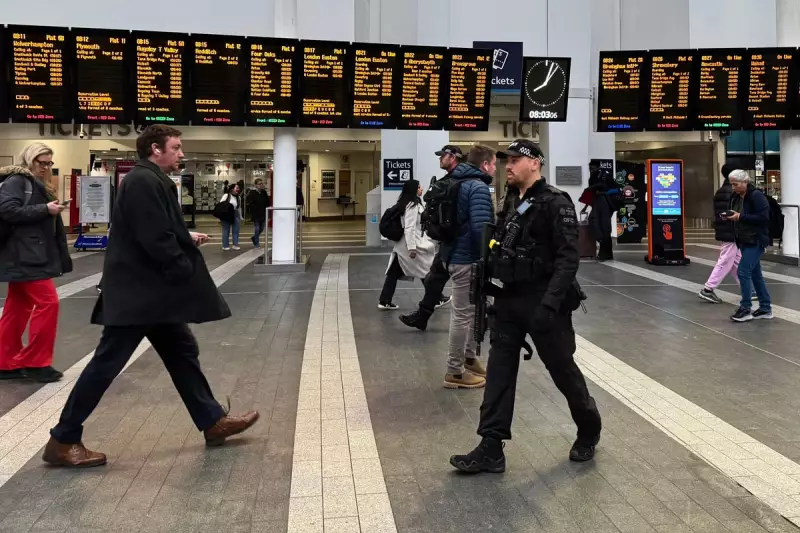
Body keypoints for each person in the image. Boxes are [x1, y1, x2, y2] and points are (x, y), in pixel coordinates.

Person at [43, 125, 258, 468]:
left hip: (151, 297)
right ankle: (64, 438)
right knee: (106, 364)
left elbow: (154, 227)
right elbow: (154, 237)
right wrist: (182, 269)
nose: (181, 154)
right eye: (176, 147)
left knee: (183, 353)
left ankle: (212, 421)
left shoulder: (148, 180)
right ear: (156, 150)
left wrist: (183, 236)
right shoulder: (144, 181)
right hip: (140, 296)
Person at [450, 139, 601, 474]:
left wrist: (549, 306)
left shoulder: (556, 203)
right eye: (507, 161)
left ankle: (589, 427)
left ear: (535, 163)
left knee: (562, 370)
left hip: (544, 303)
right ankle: (491, 445)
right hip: (509, 300)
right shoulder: (511, 200)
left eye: (515, 160)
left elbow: (567, 259)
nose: (509, 166)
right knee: (500, 373)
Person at [0, 142, 71, 383]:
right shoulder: (17, 181)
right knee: (48, 303)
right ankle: (36, 362)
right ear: (29, 161)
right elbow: (8, 211)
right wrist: (45, 209)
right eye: (42, 162)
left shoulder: (32, 183)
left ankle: (5, 361)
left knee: (17, 308)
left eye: (49, 163)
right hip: (26, 255)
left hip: (26, 254)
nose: (46, 167)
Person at [440, 145, 496, 389]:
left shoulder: (454, 181)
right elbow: (481, 229)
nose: (495, 169)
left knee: (473, 311)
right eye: (494, 164)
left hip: (451, 253)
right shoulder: (477, 187)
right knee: (463, 314)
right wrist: (491, 256)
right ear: (485, 165)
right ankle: (454, 371)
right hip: (467, 258)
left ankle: (469, 358)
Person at [397, 145, 467, 331]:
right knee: (434, 278)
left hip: (460, 241)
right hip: (448, 240)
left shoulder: (462, 181)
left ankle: (489, 315)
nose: (439, 159)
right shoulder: (448, 180)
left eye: (442, 156)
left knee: (470, 284)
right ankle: (422, 316)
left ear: (453, 157)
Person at [378, 179, 436, 309]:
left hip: (403, 245)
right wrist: (412, 248)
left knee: (394, 272)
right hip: (409, 244)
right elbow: (409, 227)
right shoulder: (412, 205)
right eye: (420, 187)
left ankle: (384, 300)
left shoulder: (408, 203)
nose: (422, 189)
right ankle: (436, 297)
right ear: (414, 190)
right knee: (426, 269)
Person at [726, 170, 773, 322]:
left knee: (743, 271)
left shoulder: (756, 196)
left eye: (736, 184)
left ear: (745, 182)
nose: (733, 187)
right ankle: (765, 308)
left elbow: (763, 218)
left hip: (756, 239)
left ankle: (746, 307)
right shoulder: (735, 197)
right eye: (732, 184)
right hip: (744, 239)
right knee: (755, 274)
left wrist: (740, 217)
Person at [699, 163, 742, 303]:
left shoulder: (722, 190)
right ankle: (708, 289)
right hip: (732, 231)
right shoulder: (733, 192)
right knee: (725, 261)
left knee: (737, 261)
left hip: (727, 230)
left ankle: (749, 288)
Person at [246, 178, 270, 248]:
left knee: (261, 228)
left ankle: (254, 237)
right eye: (260, 184)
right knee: (257, 228)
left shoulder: (264, 192)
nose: (261, 185)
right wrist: (253, 208)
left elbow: (267, 202)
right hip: (256, 214)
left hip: (263, 213)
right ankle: (257, 243)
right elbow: (248, 202)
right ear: (256, 185)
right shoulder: (252, 193)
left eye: (262, 183)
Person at [220, 183, 242, 251]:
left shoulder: (238, 197)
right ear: (232, 189)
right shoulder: (226, 195)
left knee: (236, 230)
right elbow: (221, 204)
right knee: (226, 230)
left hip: (235, 213)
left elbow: (239, 208)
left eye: (238, 188)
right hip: (227, 213)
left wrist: (240, 216)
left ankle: (235, 245)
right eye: (236, 188)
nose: (238, 189)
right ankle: (225, 245)